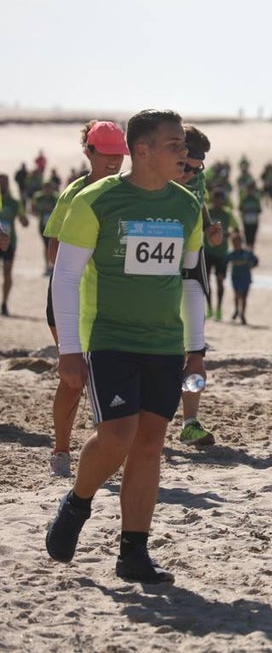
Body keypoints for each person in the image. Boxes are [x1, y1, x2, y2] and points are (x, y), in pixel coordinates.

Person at [45, 108, 205, 584]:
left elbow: (192, 281)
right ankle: (77, 503)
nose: (184, 153)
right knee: (117, 435)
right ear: (142, 151)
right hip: (109, 336)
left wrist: (196, 348)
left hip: (164, 342)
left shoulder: (185, 206)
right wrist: (69, 351)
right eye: (174, 145)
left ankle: (133, 552)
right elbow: (66, 276)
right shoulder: (96, 200)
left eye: (184, 145)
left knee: (150, 444)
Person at [41, 121, 130, 477]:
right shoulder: (75, 194)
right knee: (74, 378)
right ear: (88, 152)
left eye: (118, 154)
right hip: (69, 298)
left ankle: (103, 449)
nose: (112, 161)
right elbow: (54, 255)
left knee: (110, 376)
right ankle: (61, 451)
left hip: (110, 301)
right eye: (105, 153)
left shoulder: (127, 192)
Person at [172, 126, 222, 448]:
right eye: (185, 166)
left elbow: (199, 203)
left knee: (195, 351)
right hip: (154, 275)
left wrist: (209, 229)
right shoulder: (152, 179)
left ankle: (190, 422)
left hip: (191, 268)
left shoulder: (197, 179)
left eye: (197, 167)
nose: (190, 173)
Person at [203, 189, 240, 321]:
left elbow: (236, 230)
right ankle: (209, 308)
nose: (218, 202)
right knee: (206, 282)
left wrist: (226, 236)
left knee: (220, 281)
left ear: (223, 201)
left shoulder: (227, 214)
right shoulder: (208, 212)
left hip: (222, 253)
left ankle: (219, 308)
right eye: (215, 200)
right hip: (207, 251)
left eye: (220, 200)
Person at [0, 173, 30, 316]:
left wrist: (25, 220)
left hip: (9, 242)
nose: (2, 185)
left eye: (4, 182)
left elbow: (23, 219)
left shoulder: (14, 202)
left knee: (7, 272)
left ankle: (4, 303)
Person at [224, 231, 259, 325]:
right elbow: (224, 263)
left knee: (244, 297)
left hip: (246, 277)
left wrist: (251, 265)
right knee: (236, 294)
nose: (236, 244)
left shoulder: (247, 253)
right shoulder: (230, 253)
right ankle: (236, 309)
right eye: (234, 243)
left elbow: (256, 260)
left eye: (237, 242)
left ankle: (242, 313)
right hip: (235, 277)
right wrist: (221, 274)